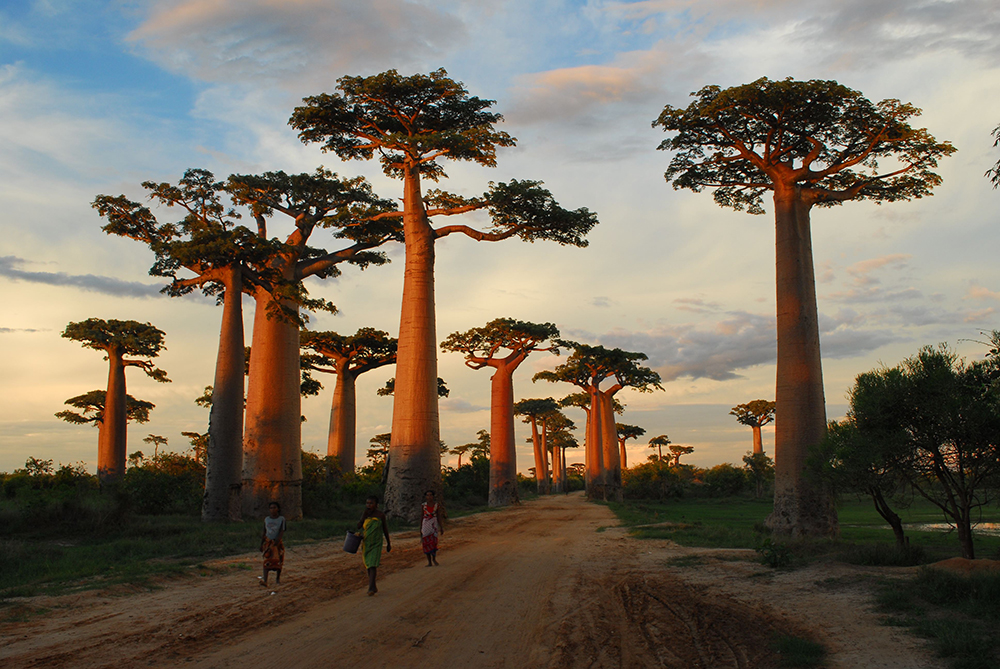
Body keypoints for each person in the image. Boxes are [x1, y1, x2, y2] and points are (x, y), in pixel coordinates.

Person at [358, 495, 391, 595]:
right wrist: (363, 517)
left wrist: (389, 543)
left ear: (376, 505)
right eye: (367, 503)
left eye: (371, 503)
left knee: (372, 565)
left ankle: (371, 587)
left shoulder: (380, 515)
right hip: (366, 543)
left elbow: (385, 529)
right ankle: (373, 586)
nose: (369, 505)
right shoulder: (365, 514)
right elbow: (359, 526)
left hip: (376, 543)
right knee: (368, 564)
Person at [259, 501, 286, 587]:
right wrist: (261, 543)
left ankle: (277, 579)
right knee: (267, 560)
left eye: (274, 508)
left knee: (278, 561)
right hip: (268, 542)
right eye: (271, 508)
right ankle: (265, 580)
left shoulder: (281, 519)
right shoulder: (267, 519)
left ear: (278, 509)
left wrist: (278, 540)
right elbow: (264, 531)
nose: (272, 509)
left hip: (277, 543)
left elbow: (282, 530)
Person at [421, 490, 445, 566]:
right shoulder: (423, 506)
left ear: (433, 496)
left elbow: (438, 516)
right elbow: (421, 517)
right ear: (425, 497)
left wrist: (441, 527)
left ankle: (434, 559)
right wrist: (420, 528)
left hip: (434, 524)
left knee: (433, 542)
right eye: (427, 495)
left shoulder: (436, 505)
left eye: (431, 495)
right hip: (426, 524)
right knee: (426, 543)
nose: (429, 497)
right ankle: (429, 561)